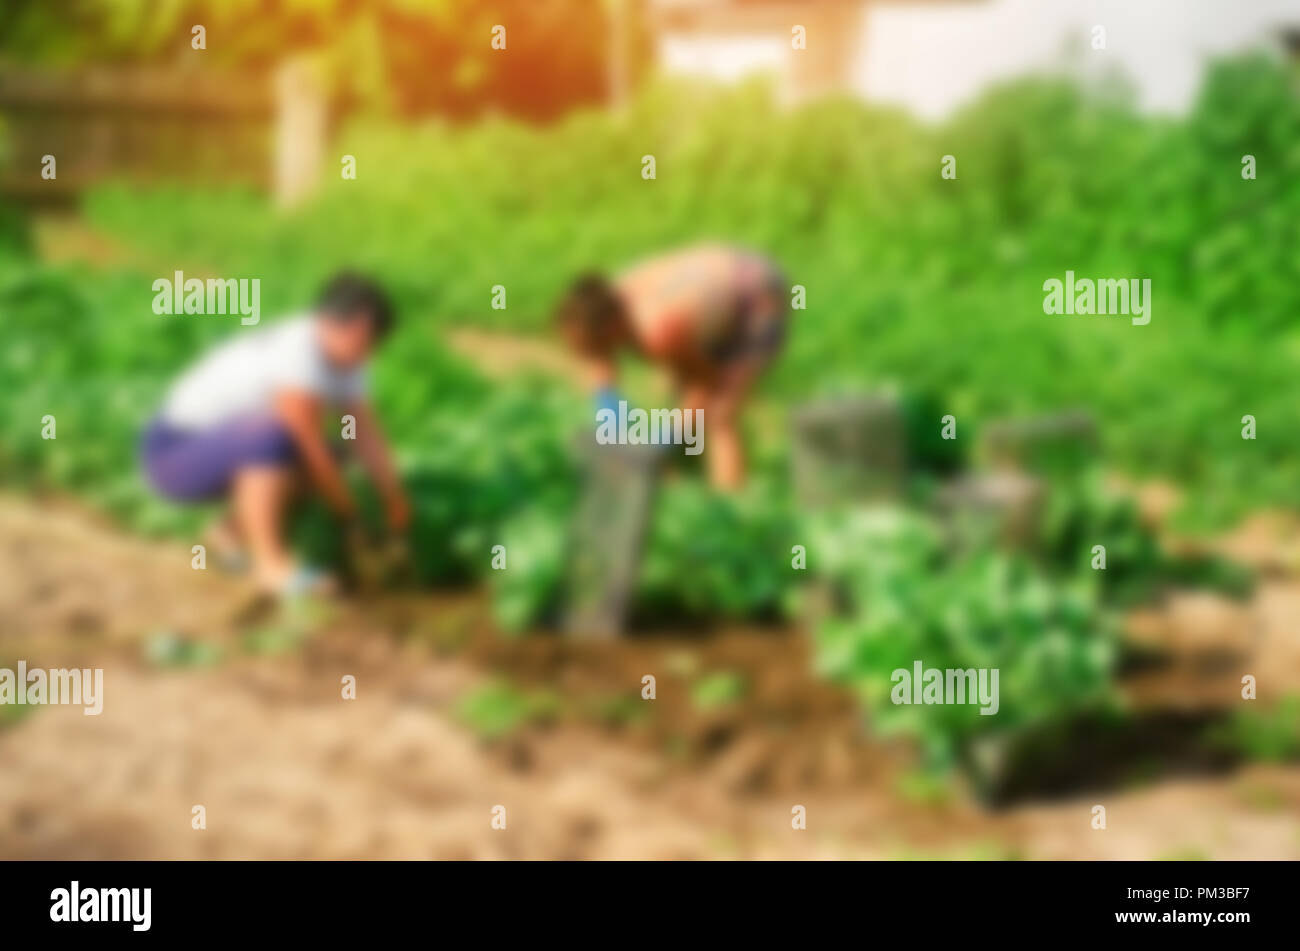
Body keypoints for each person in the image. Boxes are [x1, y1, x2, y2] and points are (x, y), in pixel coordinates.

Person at [140, 273, 410, 596]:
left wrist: (394, 498)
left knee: (339, 453)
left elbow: (362, 434)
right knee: (277, 436)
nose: (369, 354)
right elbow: (306, 444)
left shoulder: (346, 361)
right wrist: (349, 516)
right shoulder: (297, 351)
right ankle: (271, 567)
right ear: (356, 327)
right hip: (175, 457)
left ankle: (231, 532)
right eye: (369, 341)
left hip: (223, 448)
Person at [554, 243, 789, 489]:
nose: (585, 357)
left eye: (590, 348)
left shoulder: (659, 328)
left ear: (608, 331)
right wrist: (611, 417)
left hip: (757, 296)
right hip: (710, 291)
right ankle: (682, 477)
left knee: (720, 414)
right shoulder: (605, 303)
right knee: (675, 394)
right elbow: (603, 373)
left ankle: (733, 509)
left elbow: (706, 386)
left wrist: (661, 442)